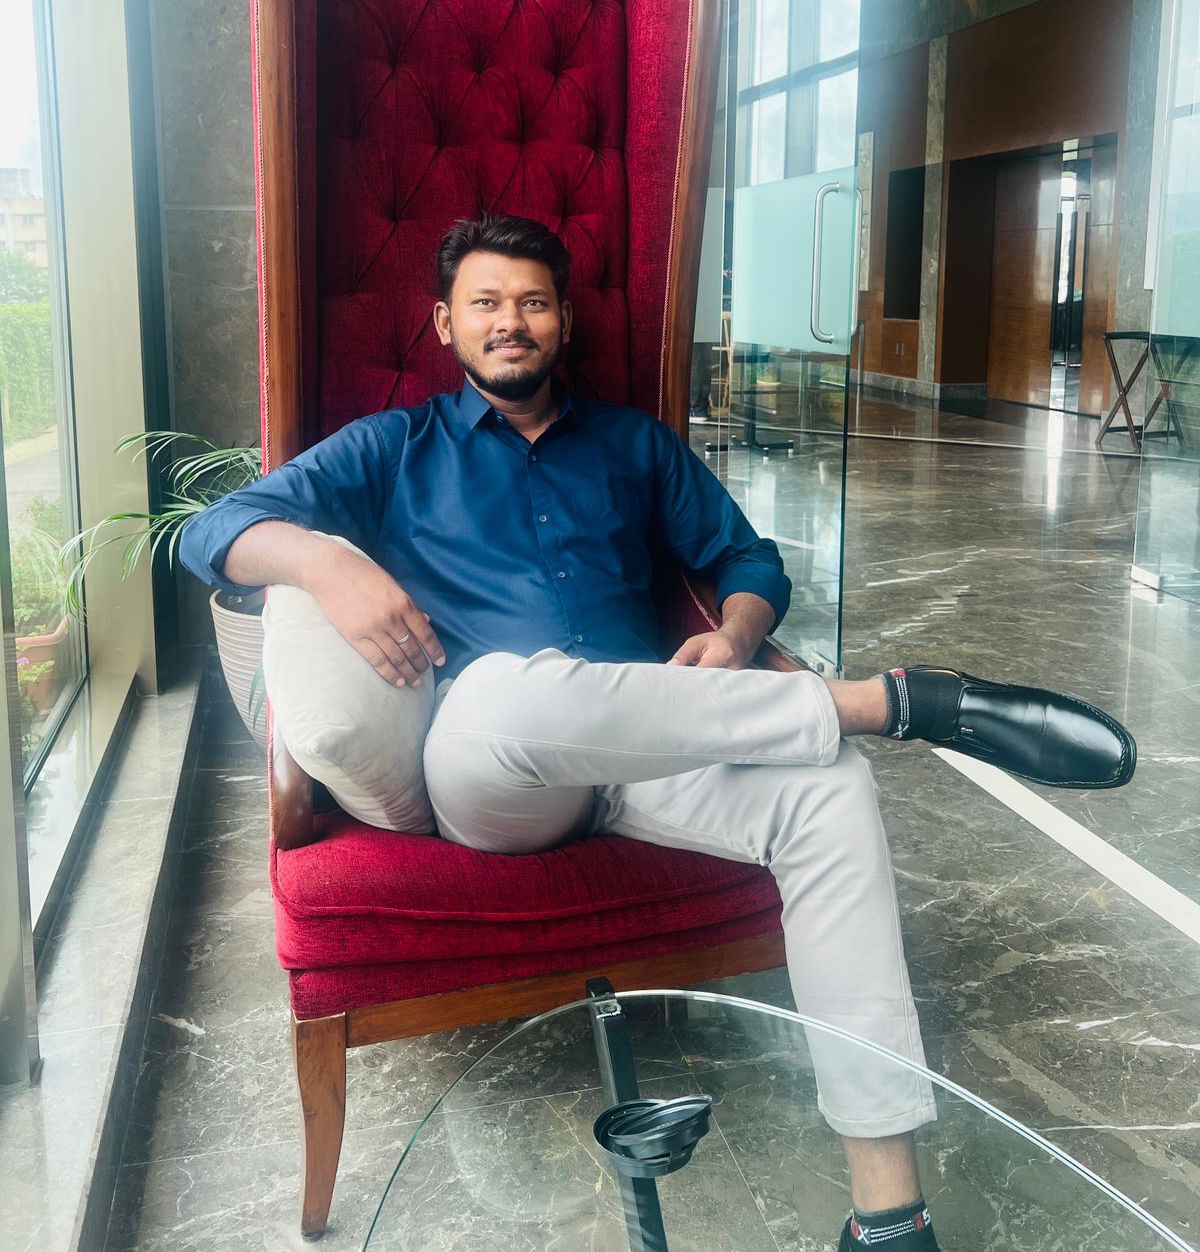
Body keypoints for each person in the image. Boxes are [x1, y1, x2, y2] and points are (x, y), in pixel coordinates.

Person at [180, 213, 1135, 1252]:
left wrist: (735, 635)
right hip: (493, 770)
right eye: (486, 303)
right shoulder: (393, 449)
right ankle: (891, 701)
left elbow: (747, 558)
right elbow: (211, 530)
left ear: (564, 319)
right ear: (446, 325)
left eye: (532, 302)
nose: (511, 322)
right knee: (506, 691)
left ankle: (889, 1215)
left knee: (832, 788)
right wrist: (325, 562)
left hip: (652, 748)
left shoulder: (633, 445)